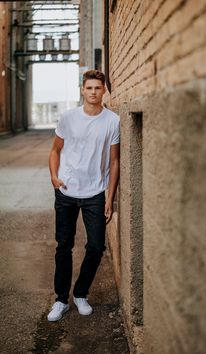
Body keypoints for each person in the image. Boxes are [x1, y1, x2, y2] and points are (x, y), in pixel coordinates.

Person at [47, 69, 120, 322]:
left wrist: (110, 198)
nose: (93, 92)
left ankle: (80, 294)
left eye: (97, 88)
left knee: (97, 246)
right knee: (63, 246)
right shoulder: (68, 118)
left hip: (95, 193)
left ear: (104, 91)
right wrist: (55, 178)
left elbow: (114, 161)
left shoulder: (113, 121)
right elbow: (55, 151)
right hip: (67, 191)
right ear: (82, 89)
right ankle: (60, 300)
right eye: (89, 88)